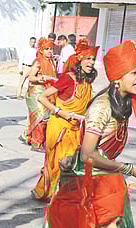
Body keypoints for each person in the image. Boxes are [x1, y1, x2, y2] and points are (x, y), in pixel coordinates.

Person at [36, 40, 136, 228]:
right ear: (118, 77)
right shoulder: (102, 106)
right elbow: (88, 154)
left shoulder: (124, 102)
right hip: (90, 183)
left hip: (109, 179)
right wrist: (128, 169)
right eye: (135, 72)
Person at [31, 39, 98, 202]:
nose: (91, 62)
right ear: (80, 60)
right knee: (59, 163)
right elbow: (42, 97)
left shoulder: (88, 82)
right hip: (60, 127)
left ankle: (64, 195)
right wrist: (59, 111)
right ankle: (52, 194)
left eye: (93, 59)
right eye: (88, 58)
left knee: (73, 164)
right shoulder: (69, 78)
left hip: (77, 129)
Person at [23, 38, 57, 152]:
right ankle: (36, 143)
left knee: (46, 117)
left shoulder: (52, 62)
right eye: (47, 49)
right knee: (40, 116)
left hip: (47, 92)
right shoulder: (38, 61)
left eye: (51, 49)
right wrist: (41, 78)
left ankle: (35, 138)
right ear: (41, 50)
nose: (49, 51)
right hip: (36, 93)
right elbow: (31, 77)